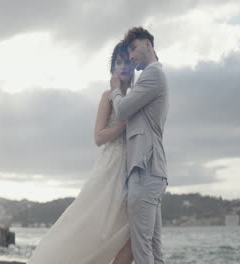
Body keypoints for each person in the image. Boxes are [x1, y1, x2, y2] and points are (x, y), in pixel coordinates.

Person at [27, 41, 135, 264]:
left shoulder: (136, 95)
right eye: (119, 62)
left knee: (129, 230)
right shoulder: (107, 96)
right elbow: (98, 137)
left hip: (131, 168)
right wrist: (123, 126)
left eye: (127, 62)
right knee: (93, 223)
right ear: (113, 69)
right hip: (111, 165)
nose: (123, 67)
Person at [108, 27, 169, 264]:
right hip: (152, 171)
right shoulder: (152, 77)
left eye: (133, 48)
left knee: (143, 250)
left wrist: (115, 91)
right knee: (153, 249)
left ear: (148, 44)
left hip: (144, 169)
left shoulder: (153, 75)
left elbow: (122, 110)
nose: (131, 56)